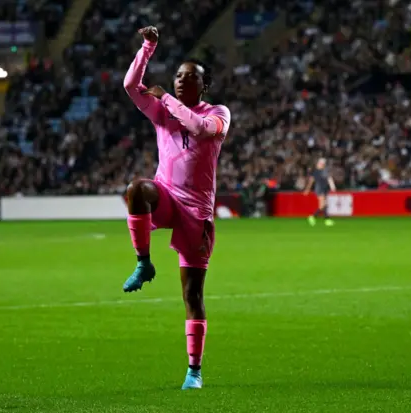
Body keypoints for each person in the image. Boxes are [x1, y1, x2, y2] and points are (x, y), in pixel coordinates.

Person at [122, 26, 231, 390]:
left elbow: (198, 128)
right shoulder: (162, 114)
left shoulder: (218, 114)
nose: (183, 80)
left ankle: (194, 371)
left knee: (192, 296)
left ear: (204, 85)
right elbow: (129, 86)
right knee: (137, 189)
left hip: (196, 214)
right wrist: (147, 47)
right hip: (167, 197)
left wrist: (167, 97)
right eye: (179, 75)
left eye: (191, 77)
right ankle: (143, 262)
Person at [304, 158, 336, 226]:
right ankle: (314, 217)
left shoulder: (325, 171)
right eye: (320, 163)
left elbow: (329, 178)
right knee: (322, 205)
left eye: (322, 163)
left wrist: (332, 186)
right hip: (319, 189)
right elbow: (311, 181)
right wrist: (307, 189)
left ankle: (326, 220)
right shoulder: (316, 172)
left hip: (324, 189)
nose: (321, 164)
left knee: (324, 205)